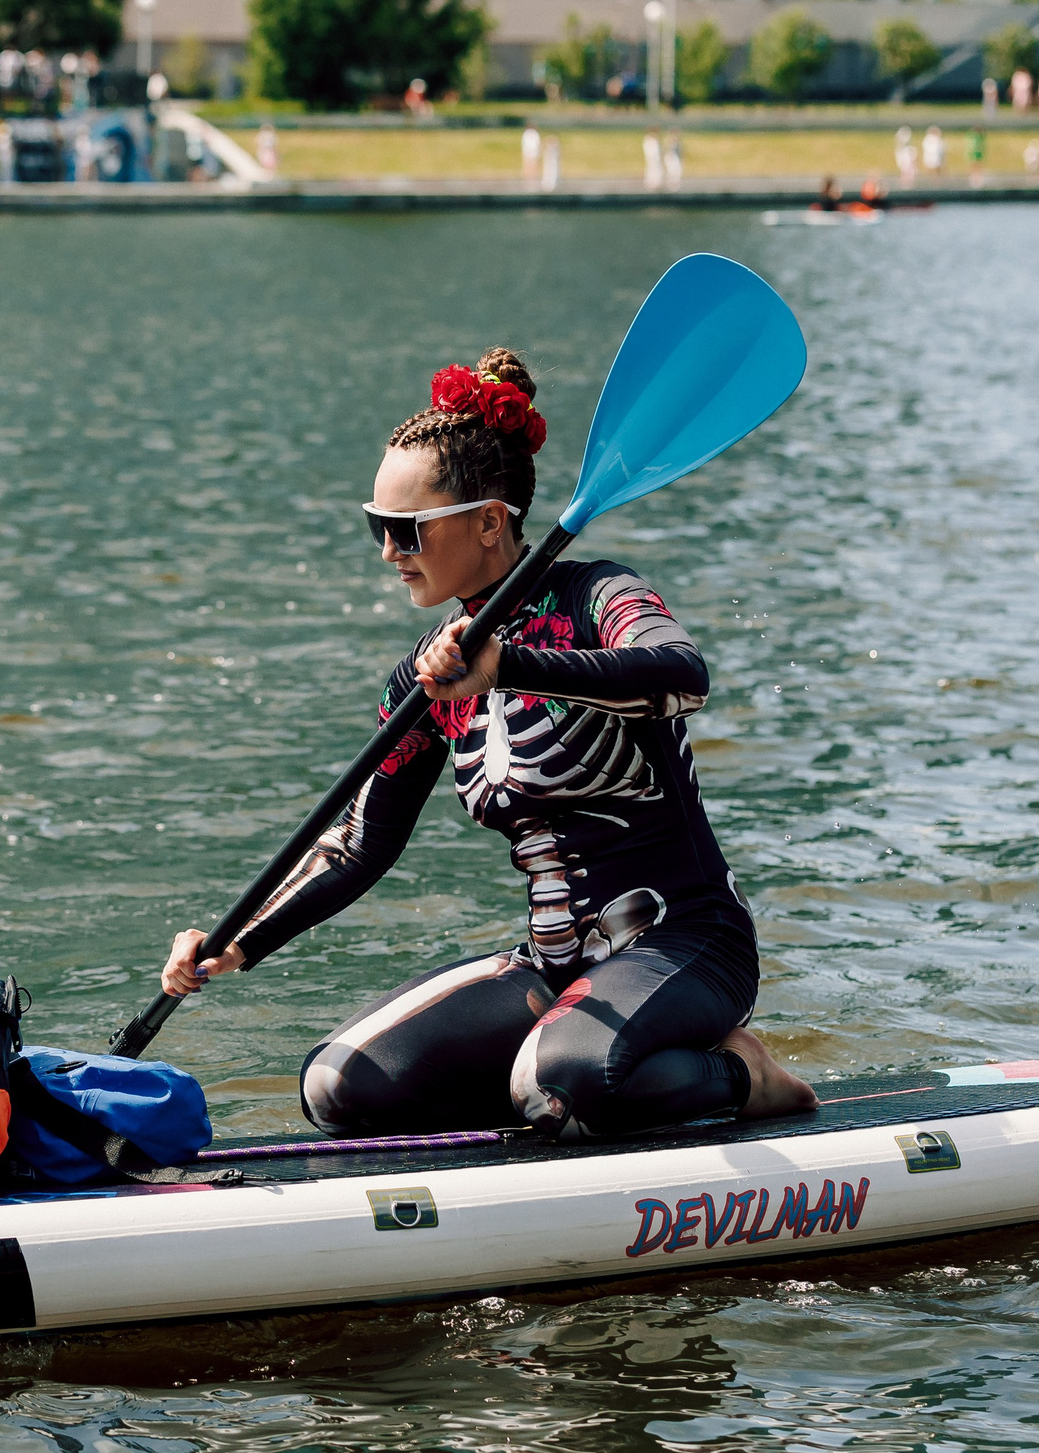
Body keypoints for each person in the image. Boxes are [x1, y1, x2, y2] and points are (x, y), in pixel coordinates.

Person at [161, 352, 817, 1141]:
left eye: (407, 530)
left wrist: (509, 665)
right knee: (339, 1086)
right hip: (553, 966)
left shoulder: (599, 595)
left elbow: (683, 676)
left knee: (564, 1081)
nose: (388, 552)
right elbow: (360, 844)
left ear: (488, 520)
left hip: (685, 939)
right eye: (378, 528)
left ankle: (745, 1073)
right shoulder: (425, 676)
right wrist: (239, 937)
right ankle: (554, 1075)